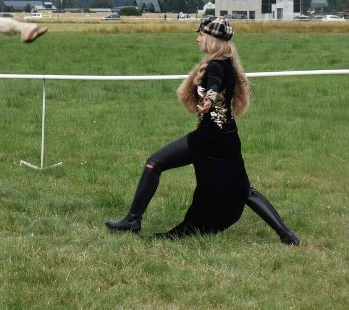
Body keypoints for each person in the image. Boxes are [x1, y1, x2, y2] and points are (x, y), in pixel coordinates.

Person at [105, 15, 300, 245]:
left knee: (153, 163)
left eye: (201, 34)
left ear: (212, 39)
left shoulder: (215, 66)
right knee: (245, 190)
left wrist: (208, 99)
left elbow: (214, 84)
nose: (198, 39)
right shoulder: (228, 62)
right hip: (228, 138)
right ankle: (287, 235)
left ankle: (132, 220)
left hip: (208, 139)